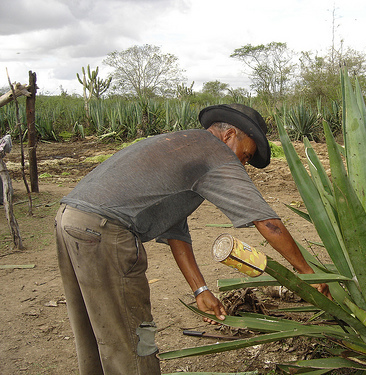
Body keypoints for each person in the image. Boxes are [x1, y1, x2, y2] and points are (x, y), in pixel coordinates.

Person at [55, 103, 332, 375]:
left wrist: (200, 290)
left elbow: (175, 229)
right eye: (246, 156)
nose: (242, 166)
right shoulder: (215, 153)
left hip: (70, 221)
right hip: (104, 232)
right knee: (131, 340)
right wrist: (308, 273)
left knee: (95, 330)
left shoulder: (182, 145)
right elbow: (267, 222)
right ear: (229, 135)